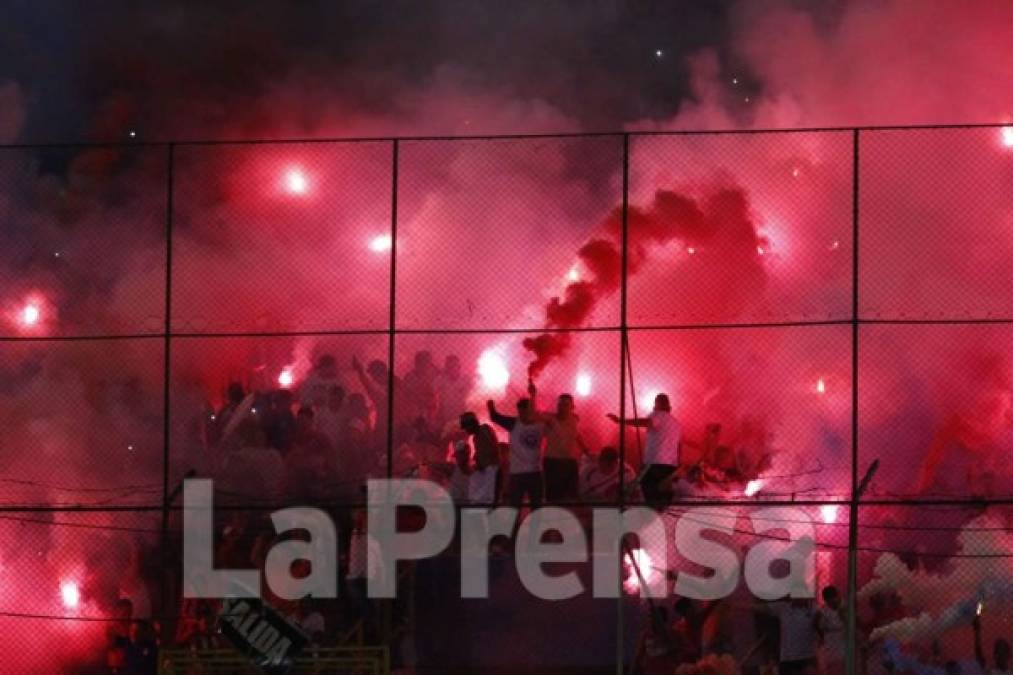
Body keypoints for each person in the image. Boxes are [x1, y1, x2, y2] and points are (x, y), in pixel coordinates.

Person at [608, 393, 681, 509]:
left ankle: (651, 517)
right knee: (663, 494)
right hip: (671, 464)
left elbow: (646, 422)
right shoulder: (676, 423)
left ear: (658, 403)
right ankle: (662, 516)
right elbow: (678, 445)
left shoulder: (658, 415)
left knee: (648, 491)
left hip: (655, 462)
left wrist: (621, 421)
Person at [488, 384, 547, 513]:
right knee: (514, 509)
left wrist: (533, 395)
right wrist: (490, 406)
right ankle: (514, 532)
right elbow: (494, 417)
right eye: (520, 411)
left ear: (531, 411)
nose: (522, 414)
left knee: (536, 509)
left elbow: (553, 427)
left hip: (535, 472)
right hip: (518, 473)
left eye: (525, 411)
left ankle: (534, 532)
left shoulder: (540, 425)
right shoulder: (514, 423)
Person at [537, 386, 589, 502]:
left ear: (572, 407)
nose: (562, 407)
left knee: (571, 493)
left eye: (565, 404)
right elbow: (534, 415)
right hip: (552, 461)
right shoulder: (550, 419)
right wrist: (533, 395)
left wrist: (585, 449)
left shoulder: (574, 419)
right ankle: (553, 515)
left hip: (569, 460)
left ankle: (567, 516)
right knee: (553, 494)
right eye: (560, 404)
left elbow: (577, 435)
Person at [763, 597, 820, 675]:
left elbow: (821, 625)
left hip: (807, 657)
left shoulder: (814, 609)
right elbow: (761, 608)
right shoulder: (783, 607)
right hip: (788, 659)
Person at [434, 354, 472, 430]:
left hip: (461, 416)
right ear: (446, 367)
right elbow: (432, 394)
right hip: (444, 417)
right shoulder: (440, 380)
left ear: (459, 367)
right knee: (442, 440)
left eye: (454, 365)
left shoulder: (465, 379)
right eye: (449, 366)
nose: (452, 368)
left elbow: (470, 396)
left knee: (460, 441)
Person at [816, 586, 846, 675]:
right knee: (832, 666)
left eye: (833, 598)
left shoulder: (844, 606)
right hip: (830, 641)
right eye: (828, 600)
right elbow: (819, 626)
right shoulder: (823, 611)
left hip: (843, 638)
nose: (831, 602)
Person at [974, 609, 1011, 675]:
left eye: (1002, 652)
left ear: (1008, 654)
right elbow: (979, 657)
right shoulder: (991, 672)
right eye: (998, 652)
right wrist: (977, 632)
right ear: (994, 654)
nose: (1000, 655)